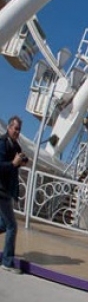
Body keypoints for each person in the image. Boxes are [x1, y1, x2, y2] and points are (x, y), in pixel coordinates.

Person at [0, 116, 27, 274]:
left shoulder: (15, 145)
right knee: (12, 226)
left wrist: (23, 160)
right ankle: (7, 262)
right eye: (15, 128)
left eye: (19, 130)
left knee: (4, 225)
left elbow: (21, 157)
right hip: (1, 190)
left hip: (7, 190)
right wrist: (13, 164)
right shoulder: (2, 143)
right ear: (9, 128)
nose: (17, 132)